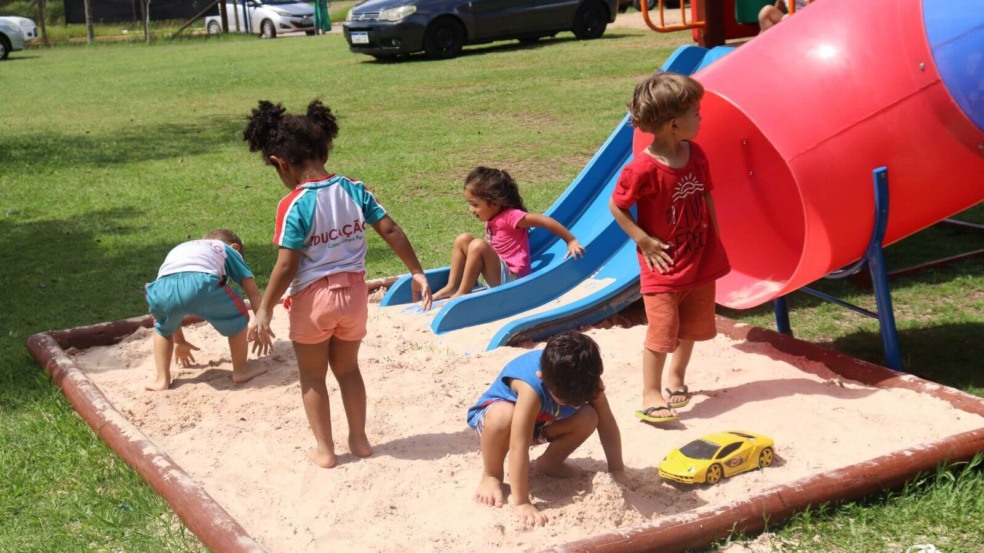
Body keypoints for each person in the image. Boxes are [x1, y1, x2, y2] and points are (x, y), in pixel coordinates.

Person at [244, 99, 432, 469]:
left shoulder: (294, 203)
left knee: (312, 375)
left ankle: (325, 450)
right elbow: (389, 228)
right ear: (323, 150)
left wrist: (263, 308)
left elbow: (286, 264)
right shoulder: (354, 189)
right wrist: (416, 271)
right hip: (355, 297)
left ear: (281, 164)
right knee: (348, 369)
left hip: (314, 300)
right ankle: (360, 439)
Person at [609, 71, 730, 423]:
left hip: (699, 256)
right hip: (663, 266)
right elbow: (616, 206)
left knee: (692, 325)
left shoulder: (696, 154)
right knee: (662, 331)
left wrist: (715, 238)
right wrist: (643, 240)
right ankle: (651, 391)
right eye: (695, 112)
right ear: (674, 125)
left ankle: (677, 376)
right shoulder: (642, 169)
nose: (701, 117)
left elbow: (705, 193)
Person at [466, 331, 625, 527]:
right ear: (542, 378)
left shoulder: (588, 381)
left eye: (577, 400)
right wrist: (522, 502)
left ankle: (550, 463)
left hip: (541, 423)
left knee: (590, 416)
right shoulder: (532, 387)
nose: (573, 403)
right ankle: (491, 475)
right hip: (499, 423)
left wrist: (617, 469)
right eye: (565, 400)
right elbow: (518, 446)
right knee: (502, 415)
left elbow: (607, 422)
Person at [431, 166, 585, 300]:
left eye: (475, 205)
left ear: (495, 203)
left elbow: (544, 221)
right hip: (497, 274)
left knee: (477, 245)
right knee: (463, 239)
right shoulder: (492, 215)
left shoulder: (511, 216)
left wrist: (570, 240)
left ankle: (463, 292)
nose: (470, 209)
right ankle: (453, 286)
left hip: (513, 280)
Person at [144, 229, 269, 391]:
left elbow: (176, 293)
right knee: (237, 316)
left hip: (160, 290)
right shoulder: (227, 249)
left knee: (162, 326)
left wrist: (179, 341)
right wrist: (261, 321)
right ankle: (241, 370)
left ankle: (162, 379)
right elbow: (253, 293)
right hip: (202, 284)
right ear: (235, 247)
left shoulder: (184, 248)